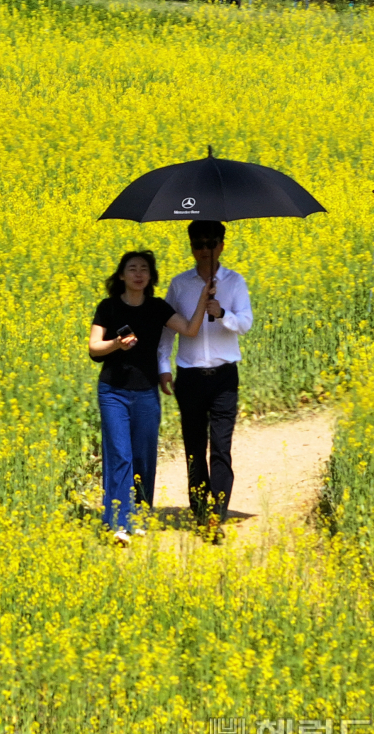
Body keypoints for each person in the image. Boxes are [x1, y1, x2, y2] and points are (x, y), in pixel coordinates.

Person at [89, 249, 212, 545]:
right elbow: (94, 348)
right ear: (121, 275)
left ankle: (140, 516)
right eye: (132, 268)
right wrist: (117, 344)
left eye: (144, 268)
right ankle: (118, 523)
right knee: (120, 455)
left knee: (143, 458)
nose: (138, 273)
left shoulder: (158, 308)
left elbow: (191, 330)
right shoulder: (108, 307)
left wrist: (203, 299)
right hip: (113, 392)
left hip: (146, 393)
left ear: (151, 276)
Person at [157, 220, 254, 543]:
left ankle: (218, 513)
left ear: (221, 245)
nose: (204, 250)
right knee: (195, 447)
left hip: (225, 377)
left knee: (221, 448)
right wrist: (163, 367)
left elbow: (245, 323)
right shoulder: (180, 284)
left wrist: (222, 312)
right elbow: (167, 328)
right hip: (190, 377)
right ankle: (199, 510)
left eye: (210, 243)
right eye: (198, 244)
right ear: (191, 247)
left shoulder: (234, 282)